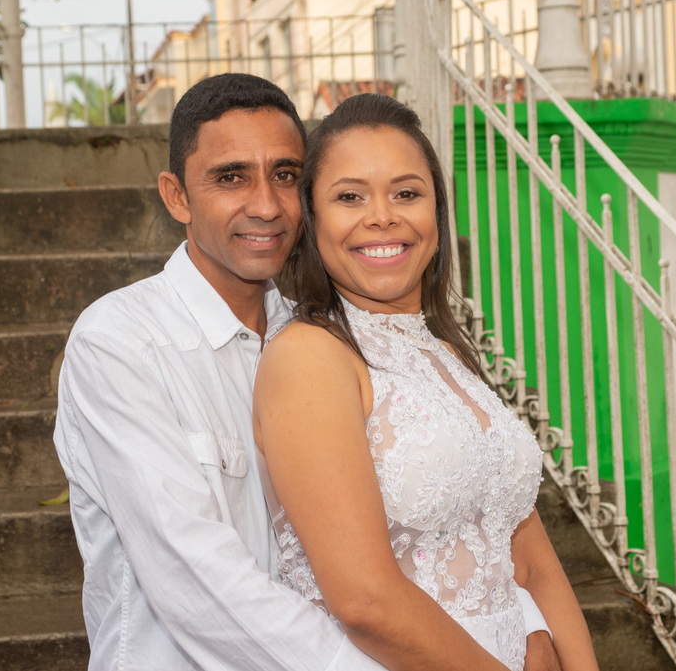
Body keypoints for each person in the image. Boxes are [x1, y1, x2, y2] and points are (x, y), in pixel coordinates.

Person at [54, 74, 555, 671]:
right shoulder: (120, 343)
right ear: (177, 196)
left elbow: (430, 521)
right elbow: (199, 584)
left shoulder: (326, 337)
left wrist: (516, 618)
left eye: (286, 176)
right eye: (231, 177)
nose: (265, 205)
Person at [253, 94, 600, 671]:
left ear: (436, 212)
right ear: (313, 222)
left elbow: (530, 558)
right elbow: (364, 601)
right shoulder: (310, 357)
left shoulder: (442, 350)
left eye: (406, 193)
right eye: (349, 197)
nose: (382, 216)